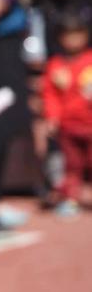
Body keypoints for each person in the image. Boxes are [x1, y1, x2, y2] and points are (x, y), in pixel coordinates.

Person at [41, 13, 92, 216]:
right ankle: (71, 198)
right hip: (68, 127)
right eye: (68, 36)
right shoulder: (56, 65)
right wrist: (52, 118)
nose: (73, 41)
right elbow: (50, 95)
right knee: (72, 165)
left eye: (78, 35)